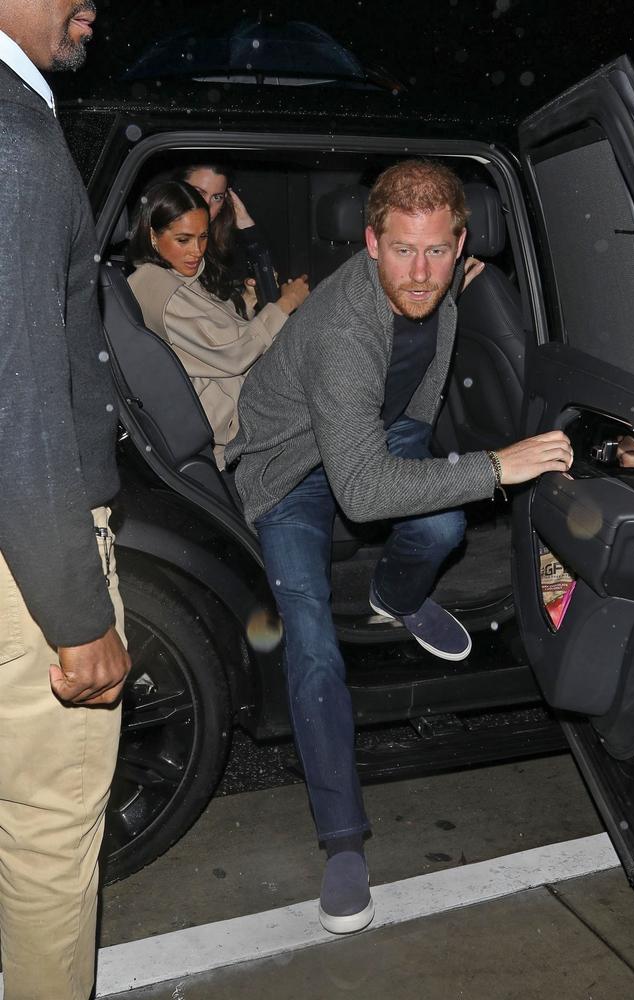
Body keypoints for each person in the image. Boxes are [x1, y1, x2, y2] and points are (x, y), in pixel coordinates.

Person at [225, 159, 573, 935]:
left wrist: (446, 471)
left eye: (438, 251)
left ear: (461, 244)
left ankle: (396, 597)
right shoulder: (344, 327)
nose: (420, 274)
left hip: (371, 441)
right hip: (291, 475)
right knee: (311, 645)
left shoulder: (443, 294)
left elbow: (411, 415)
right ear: (370, 242)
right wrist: (495, 466)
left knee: (445, 523)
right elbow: (362, 493)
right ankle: (344, 843)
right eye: (404, 250)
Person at [0, 3, 131, 999]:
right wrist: (77, 614)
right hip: (28, 556)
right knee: (48, 830)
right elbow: (18, 397)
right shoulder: (15, 139)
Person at [128, 180, 309, 468]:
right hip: (231, 430)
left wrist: (249, 303)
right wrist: (285, 304)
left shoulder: (177, 277)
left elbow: (214, 335)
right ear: (153, 236)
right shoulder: (159, 288)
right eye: (183, 239)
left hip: (242, 409)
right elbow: (234, 352)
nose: (197, 251)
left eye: (203, 237)